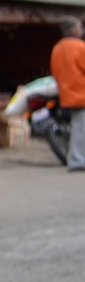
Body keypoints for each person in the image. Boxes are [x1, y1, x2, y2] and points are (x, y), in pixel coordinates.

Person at [49, 17, 85, 171]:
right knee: (80, 128)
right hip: (81, 93)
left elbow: (54, 71)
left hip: (66, 94)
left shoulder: (57, 48)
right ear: (76, 30)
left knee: (79, 127)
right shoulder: (80, 47)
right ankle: (77, 161)